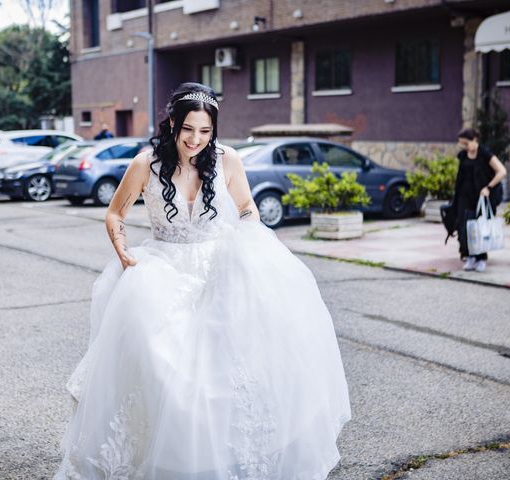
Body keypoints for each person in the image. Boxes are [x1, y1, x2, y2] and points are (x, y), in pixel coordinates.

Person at [54, 83, 351, 480]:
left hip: (218, 267)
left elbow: (246, 209)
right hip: (162, 268)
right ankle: (165, 461)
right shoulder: (145, 164)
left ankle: (220, 460)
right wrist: (123, 252)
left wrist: (247, 241)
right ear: (173, 123)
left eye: (205, 132)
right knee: (163, 367)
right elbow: (115, 214)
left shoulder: (227, 160)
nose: (196, 140)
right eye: (188, 129)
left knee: (228, 372)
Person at [452, 128, 507, 272]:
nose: (464, 147)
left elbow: (502, 171)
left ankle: (481, 258)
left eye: (466, 143)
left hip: (481, 196)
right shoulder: (463, 155)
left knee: (480, 228)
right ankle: (470, 257)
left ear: (475, 139)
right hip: (464, 195)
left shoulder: (485, 154)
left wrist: (488, 187)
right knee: (465, 227)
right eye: (462, 144)